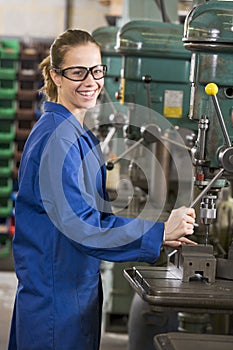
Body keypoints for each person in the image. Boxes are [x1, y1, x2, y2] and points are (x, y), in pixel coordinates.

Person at [8, 29, 196, 350]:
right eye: (77, 72)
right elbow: (82, 226)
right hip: (56, 299)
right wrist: (158, 232)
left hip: (71, 287)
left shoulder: (72, 131)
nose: (91, 81)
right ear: (56, 75)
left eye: (97, 70)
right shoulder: (59, 139)